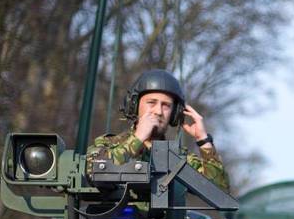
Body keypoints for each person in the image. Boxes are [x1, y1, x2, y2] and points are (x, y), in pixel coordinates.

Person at [87, 69, 230, 193]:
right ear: (134, 106)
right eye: (151, 103)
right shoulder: (109, 144)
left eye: (166, 106)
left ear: (175, 113)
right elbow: (92, 171)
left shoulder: (177, 158)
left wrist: (204, 141)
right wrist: (137, 140)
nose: (158, 111)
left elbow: (219, 193)